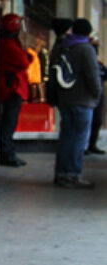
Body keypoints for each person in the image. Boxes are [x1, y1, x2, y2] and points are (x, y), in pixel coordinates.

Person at [52, 18, 102, 188]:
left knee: (66, 137)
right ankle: (73, 174)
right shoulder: (86, 49)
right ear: (88, 33)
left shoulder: (64, 46)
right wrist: (97, 94)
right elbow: (92, 76)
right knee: (79, 139)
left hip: (66, 99)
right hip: (83, 100)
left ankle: (61, 173)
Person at [0, 14, 31, 167]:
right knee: (9, 122)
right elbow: (24, 61)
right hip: (12, 88)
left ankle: (8, 151)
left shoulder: (9, 43)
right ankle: (6, 153)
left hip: (12, 86)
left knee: (9, 121)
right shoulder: (8, 44)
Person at [85, 38, 106, 155]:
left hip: (98, 96)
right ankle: (84, 146)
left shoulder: (100, 65)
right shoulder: (86, 63)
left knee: (97, 121)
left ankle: (92, 144)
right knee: (86, 121)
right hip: (86, 96)